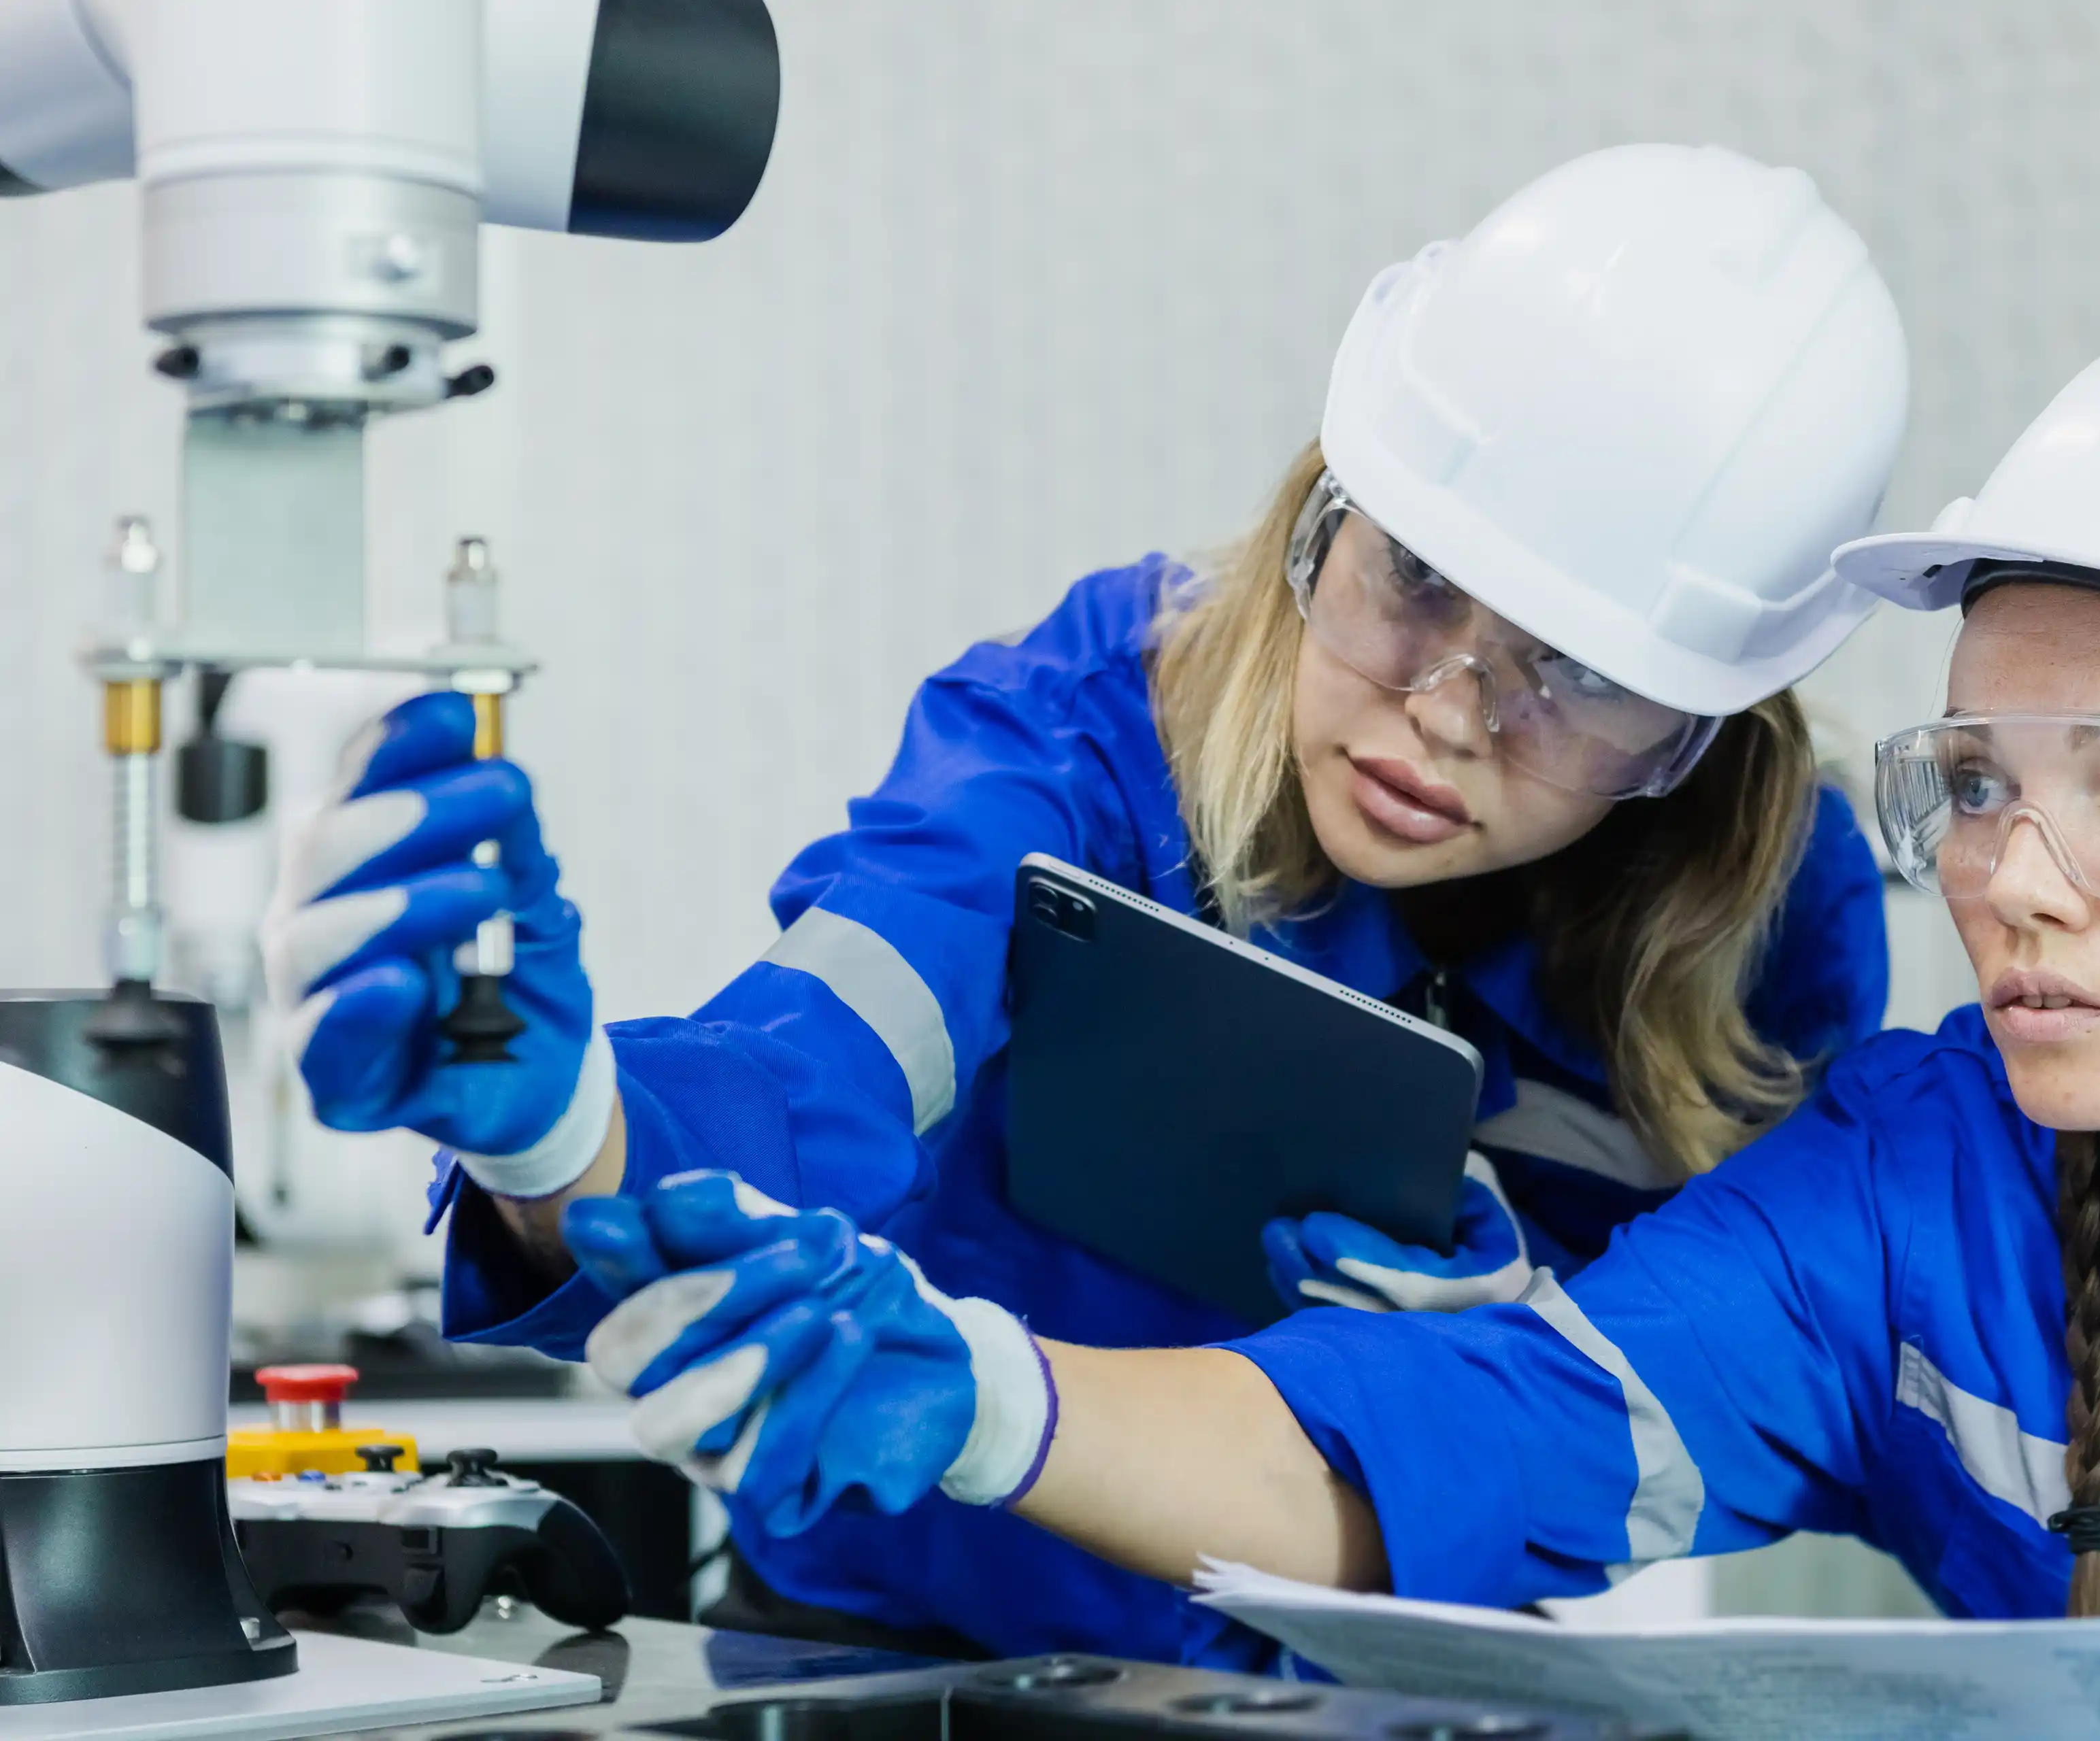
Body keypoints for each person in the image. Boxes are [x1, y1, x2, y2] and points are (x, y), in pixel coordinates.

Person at [561, 290, 2100, 1622]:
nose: (2018, 879)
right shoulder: (1913, 1198)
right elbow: (1477, 1428)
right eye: (1980, 779)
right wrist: (987, 1396)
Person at [260, 144, 1912, 1661]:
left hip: (1353, 1674)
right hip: (873, 1644)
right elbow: (818, 1055)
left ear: (1698, 723)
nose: (1451, 710)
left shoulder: (1765, 929)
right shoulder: (1090, 724)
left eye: (1576, 674)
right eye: (1414, 578)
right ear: (1323, 507)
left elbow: (1692, 1392)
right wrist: (565, 1131)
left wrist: (1493, 1352)